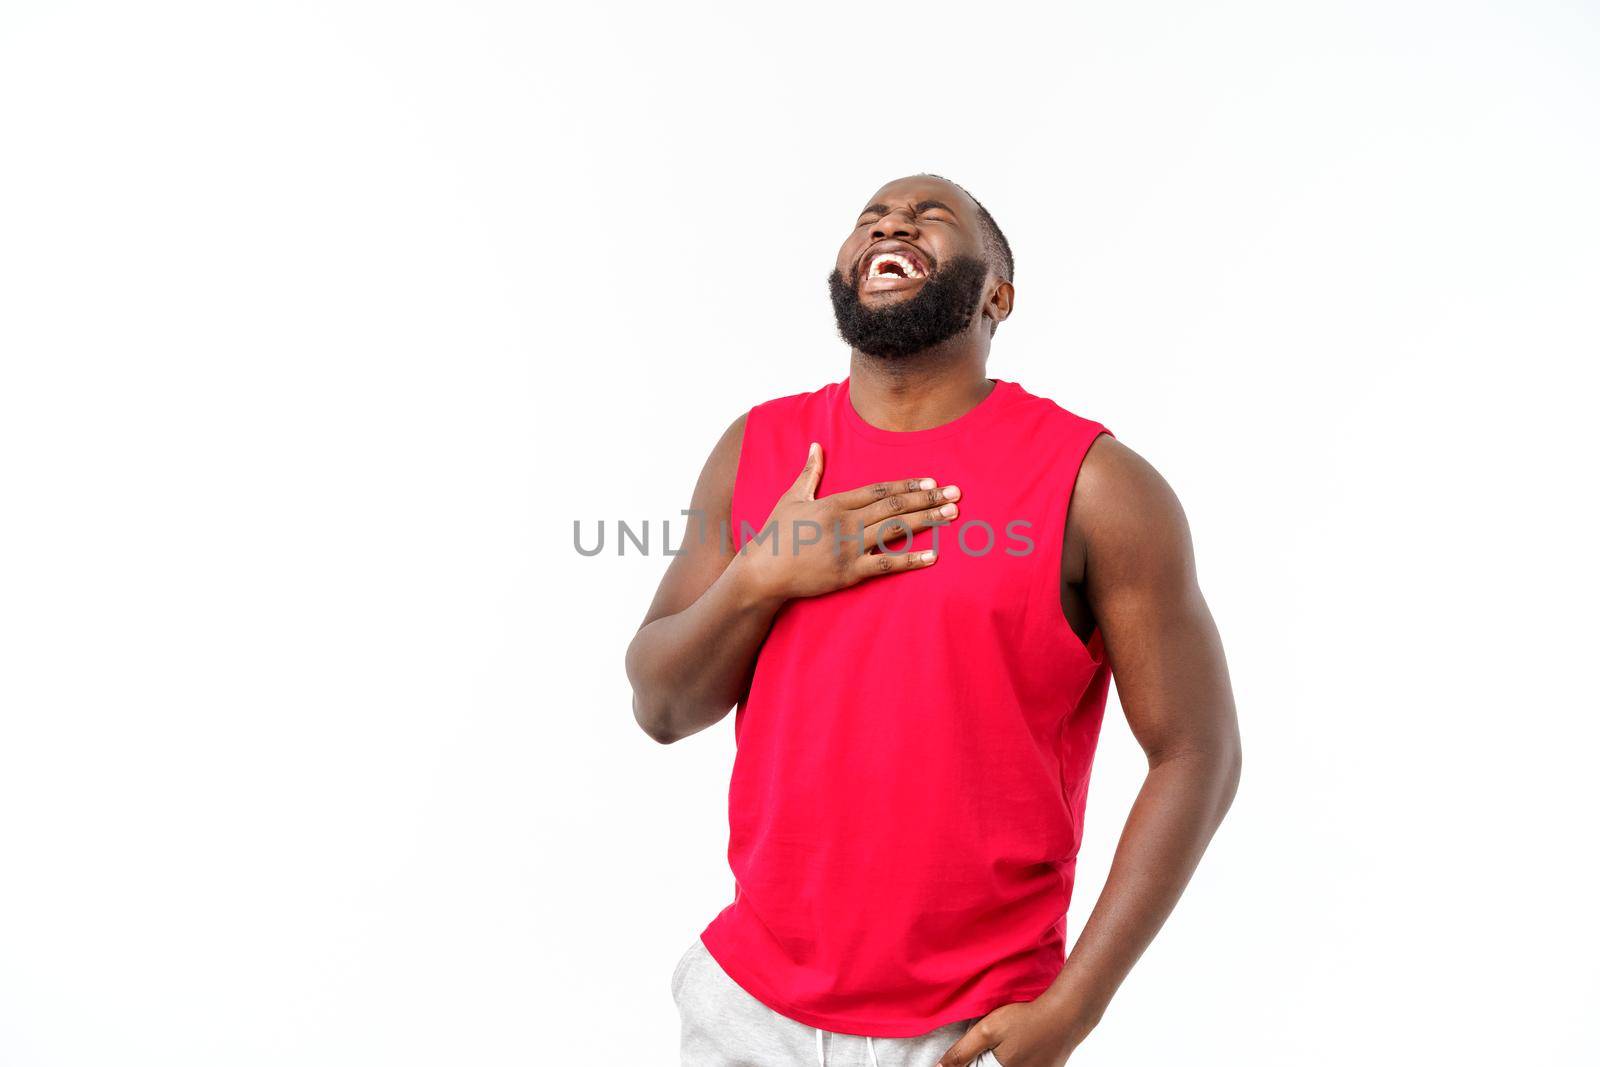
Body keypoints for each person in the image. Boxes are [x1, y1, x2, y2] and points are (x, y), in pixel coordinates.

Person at [625, 173, 1241, 1067]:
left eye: (931, 216)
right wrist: (763, 573)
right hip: (746, 1014)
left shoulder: (1100, 487)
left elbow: (1200, 753)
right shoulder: (755, 448)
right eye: (870, 216)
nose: (892, 222)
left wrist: (1075, 1007)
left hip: (972, 1030)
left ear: (998, 295)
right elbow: (660, 706)